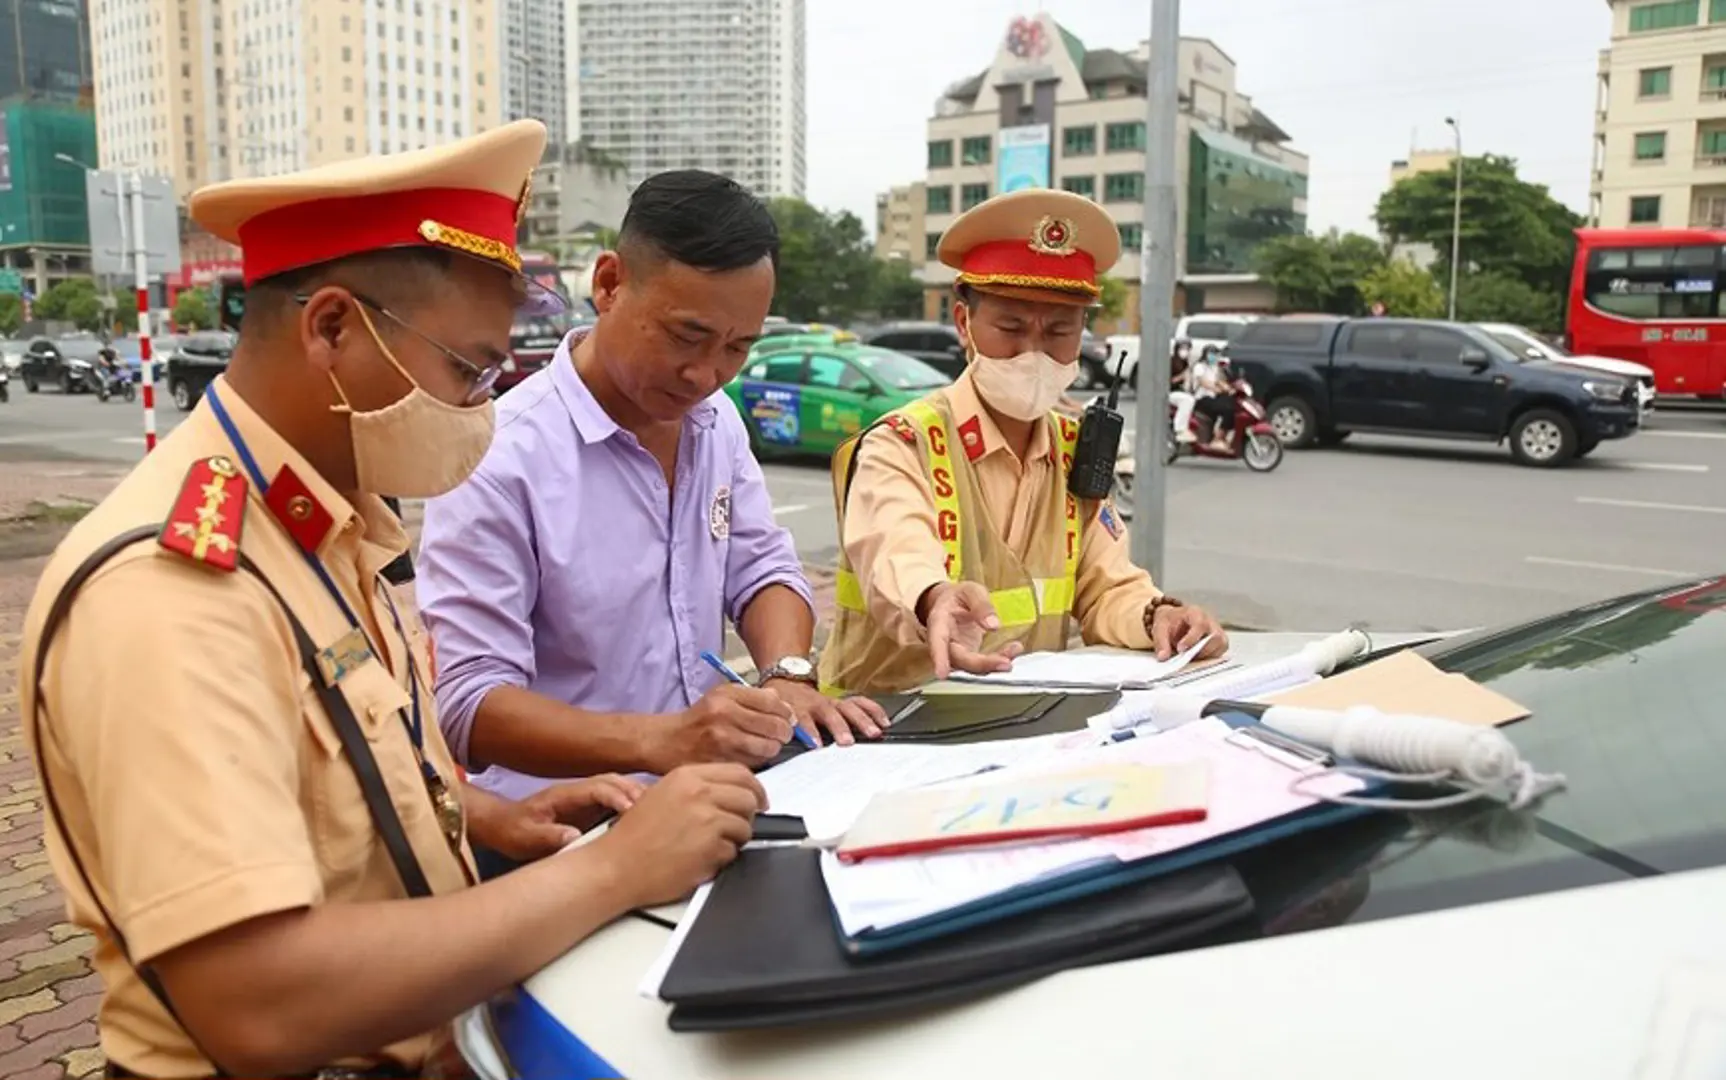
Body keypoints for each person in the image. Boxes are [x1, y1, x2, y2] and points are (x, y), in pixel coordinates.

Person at [21, 120, 765, 1079]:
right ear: (331, 326)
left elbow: (347, 783)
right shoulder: (173, 589)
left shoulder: (329, 524)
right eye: (465, 369)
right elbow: (257, 1002)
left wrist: (481, 817)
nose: (480, 409)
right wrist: (615, 869)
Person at [416, 170, 886, 876]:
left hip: (705, 808)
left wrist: (787, 675)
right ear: (609, 283)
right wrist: (656, 741)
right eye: (686, 335)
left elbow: (761, 568)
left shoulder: (715, 421)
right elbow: (472, 703)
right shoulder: (498, 455)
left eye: (737, 347)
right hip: (557, 832)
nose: (706, 374)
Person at [818, 188, 1229, 695]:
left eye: (1059, 331)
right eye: (1011, 326)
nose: (1033, 353)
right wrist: (934, 598)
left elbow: (1107, 588)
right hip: (888, 724)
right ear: (964, 322)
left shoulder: (1078, 454)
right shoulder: (902, 444)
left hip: (1021, 729)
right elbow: (895, 549)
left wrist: (1159, 617)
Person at [1191, 344, 1237, 452]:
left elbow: (1218, 381)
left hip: (1213, 396)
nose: (1213, 357)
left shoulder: (1214, 367)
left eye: (1215, 354)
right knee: (1226, 410)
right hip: (1202, 399)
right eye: (1211, 354)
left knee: (1233, 406)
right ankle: (1217, 439)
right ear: (1205, 355)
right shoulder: (1199, 367)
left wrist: (1229, 388)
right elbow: (1204, 383)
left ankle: (1224, 436)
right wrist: (1217, 389)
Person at [1168, 337, 1197, 443]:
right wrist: (1182, 376)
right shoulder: (1171, 361)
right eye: (1182, 348)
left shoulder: (1185, 363)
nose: (1185, 351)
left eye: (1187, 348)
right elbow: (1168, 382)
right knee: (1188, 400)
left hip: (1180, 391)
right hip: (1170, 393)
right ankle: (1179, 429)